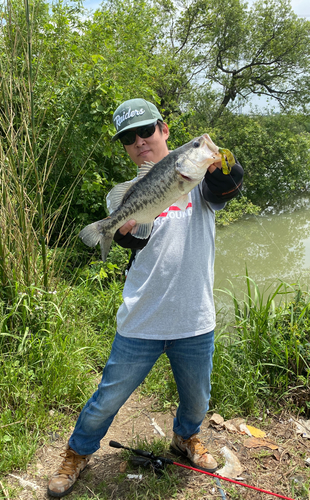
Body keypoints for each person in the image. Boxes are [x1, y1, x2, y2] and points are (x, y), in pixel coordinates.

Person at [47, 98, 244, 498]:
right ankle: (76, 453)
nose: (139, 141)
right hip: (142, 319)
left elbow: (229, 185)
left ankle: (185, 438)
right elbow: (138, 242)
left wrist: (223, 163)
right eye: (128, 138)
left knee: (196, 398)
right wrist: (120, 232)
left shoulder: (200, 179)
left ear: (164, 130)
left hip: (195, 319)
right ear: (125, 146)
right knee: (108, 397)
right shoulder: (122, 195)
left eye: (146, 131)